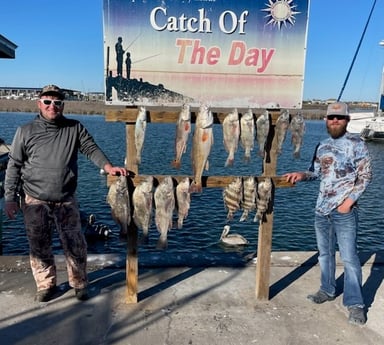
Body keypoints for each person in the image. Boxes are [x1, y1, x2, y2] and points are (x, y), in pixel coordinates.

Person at [4, 84, 127, 302]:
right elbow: (14, 166)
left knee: (75, 244)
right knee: (39, 245)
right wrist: (10, 199)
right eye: (48, 102)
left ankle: (79, 283)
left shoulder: (74, 127)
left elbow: (91, 148)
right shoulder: (25, 131)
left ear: (63, 105)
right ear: (39, 103)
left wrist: (108, 167)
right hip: (34, 198)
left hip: (65, 199)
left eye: (58, 102)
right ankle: (45, 285)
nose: (53, 106)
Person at [284, 102, 372, 325]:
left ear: (347, 120)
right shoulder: (321, 145)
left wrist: (348, 203)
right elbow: (315, 172)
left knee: (350, 259)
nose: (335, 120)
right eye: (331, 117)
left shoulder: (356, 143)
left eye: (339, 118)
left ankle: (355, 305)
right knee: (324, 254)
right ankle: (327, 289)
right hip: (321, 209)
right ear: (325, 120)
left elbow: (365, 177)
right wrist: (301, 175)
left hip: (344, 212)